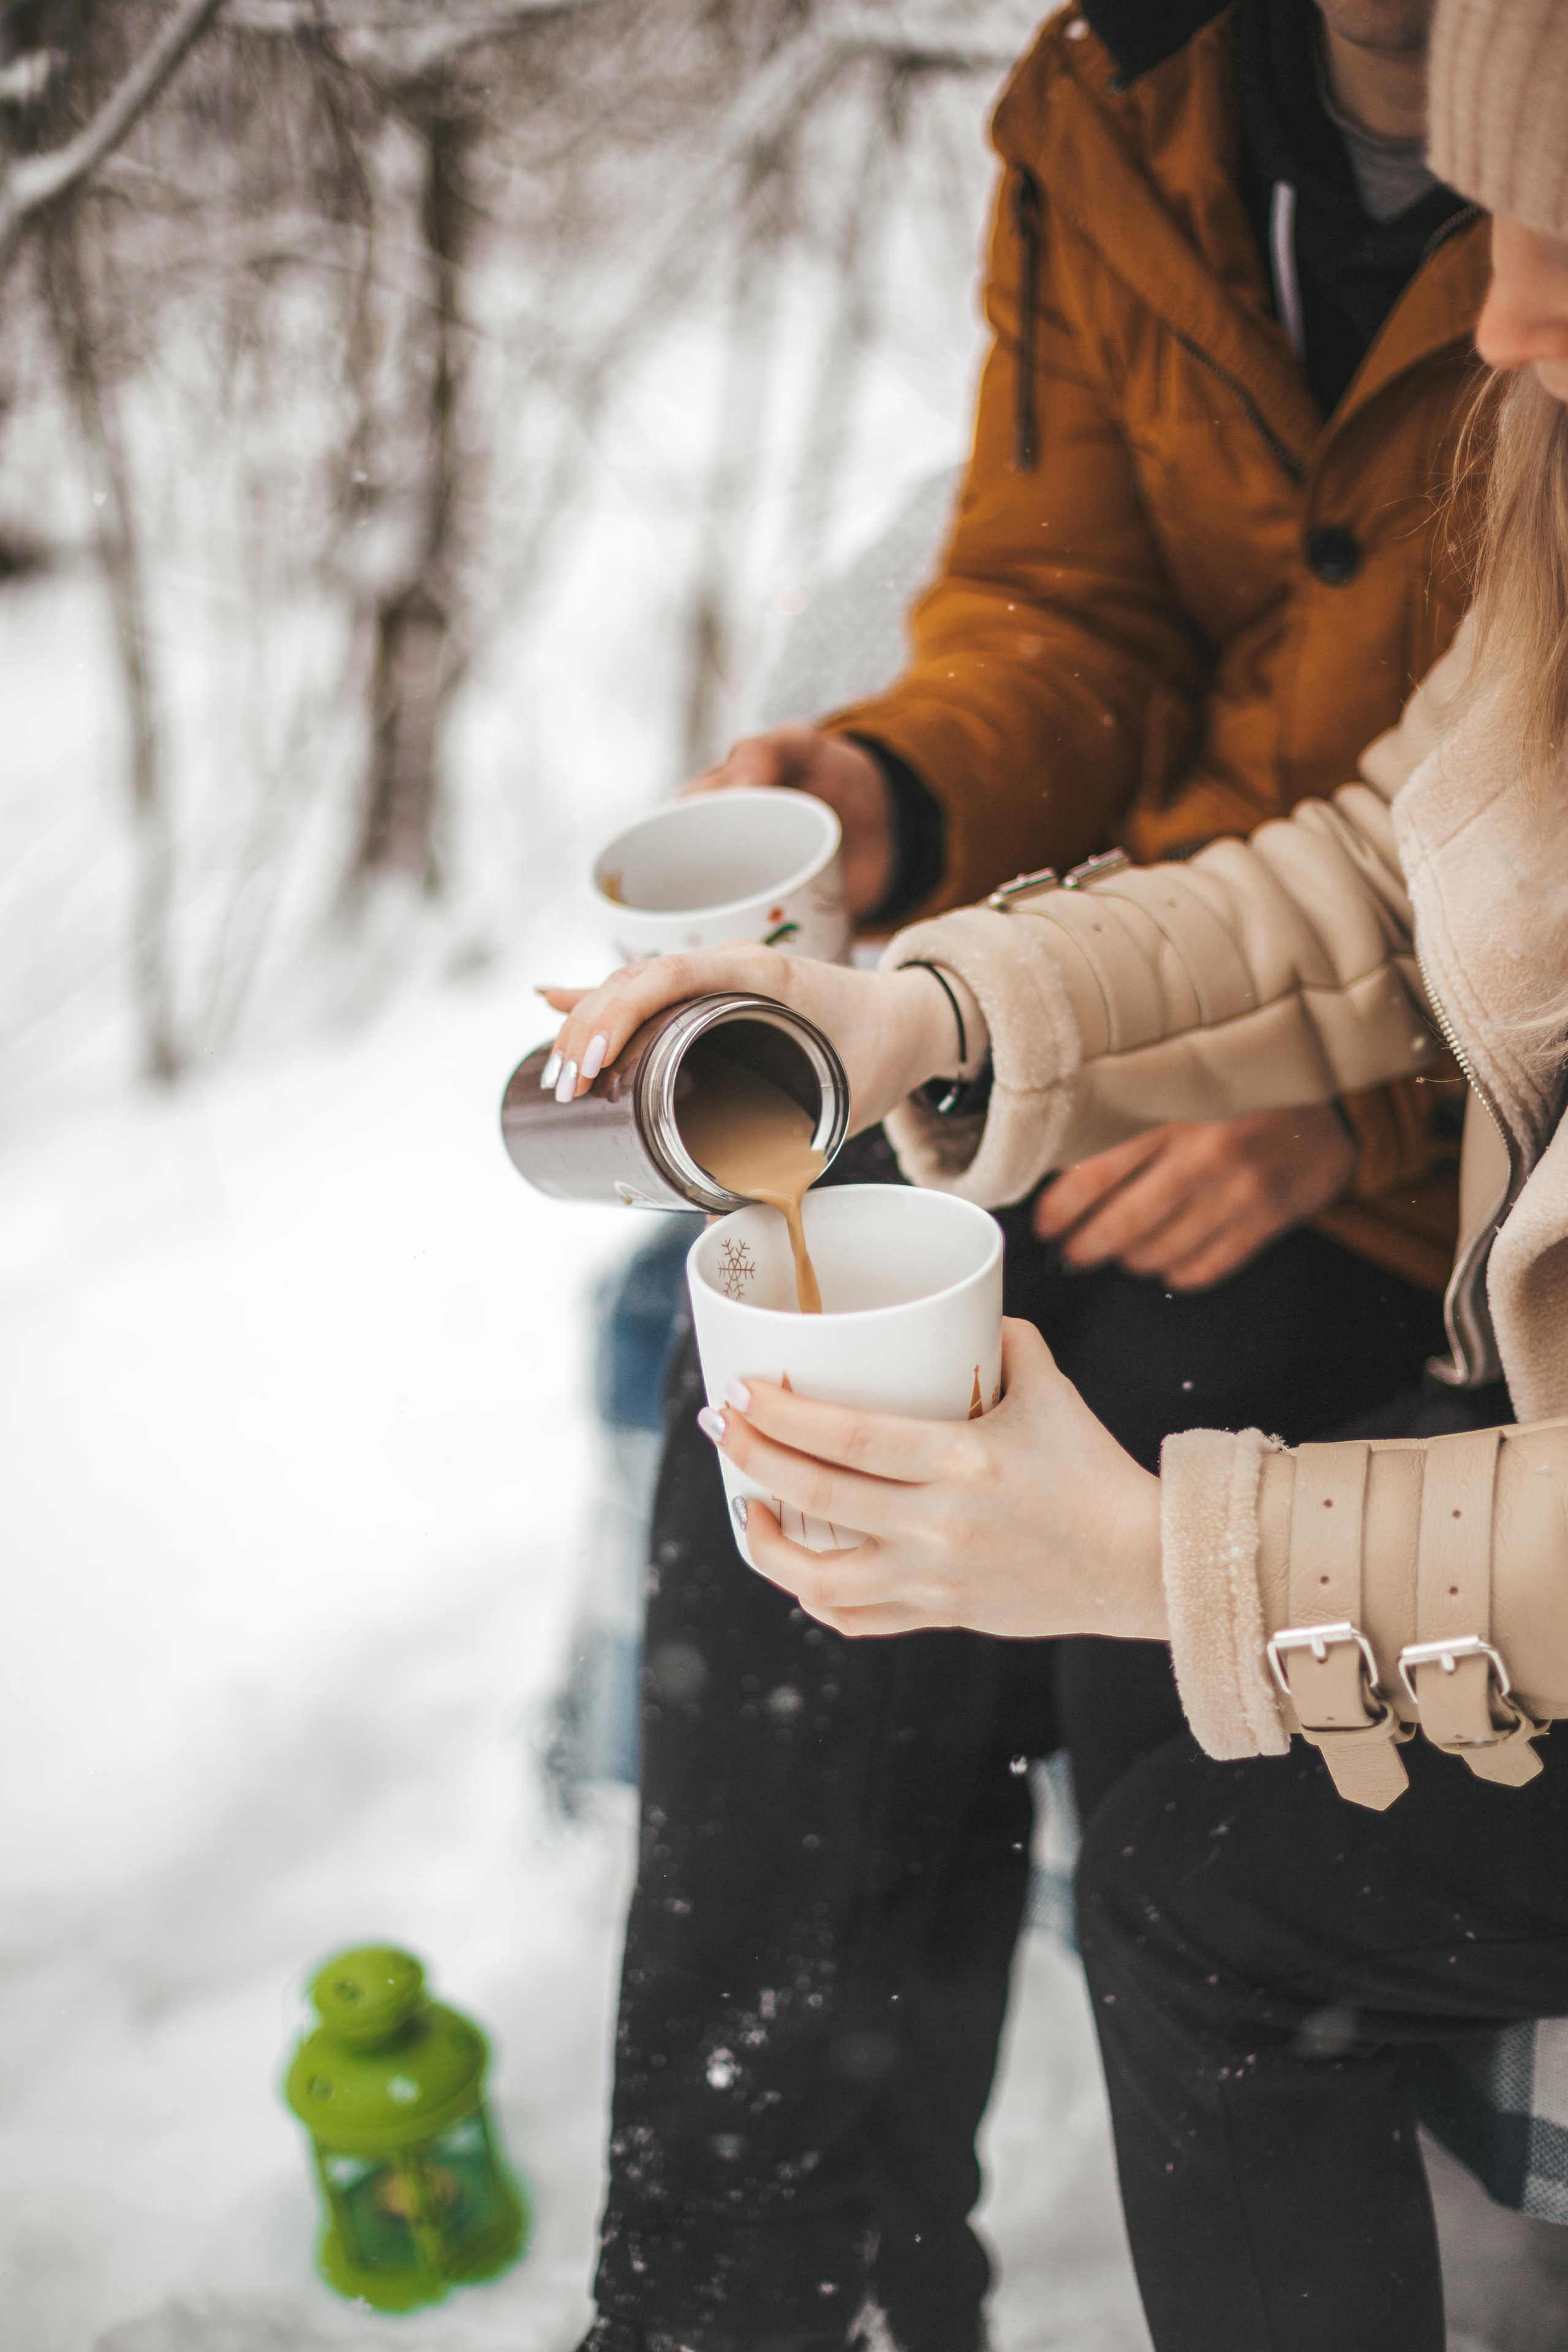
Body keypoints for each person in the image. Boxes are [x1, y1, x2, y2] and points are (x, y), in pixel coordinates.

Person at [545, 1, 1568, 2340]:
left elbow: (1434, 931)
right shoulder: (1121, 104)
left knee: (1200, 1752)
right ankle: (750, 2289)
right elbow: (1360, 843)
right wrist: (911, 935)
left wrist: (1166, 1546)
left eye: (1559, 250)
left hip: (1411, 1174)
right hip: (1158, 1022)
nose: (1512, 324)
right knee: (801, 1454)